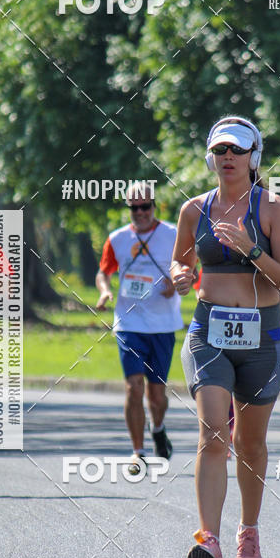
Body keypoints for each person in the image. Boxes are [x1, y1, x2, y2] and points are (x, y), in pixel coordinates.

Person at [171, 116, 280, 558]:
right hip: (209, 334)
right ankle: (210, 540)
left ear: (253, 158)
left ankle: (249, 531)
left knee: (251, 443)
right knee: (212, 433)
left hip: (263, 335)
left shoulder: (274, 210)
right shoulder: (193, 210)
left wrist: (251, 249)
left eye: (237, 150)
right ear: (211, 157)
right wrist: (180, 277)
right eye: (221, 150)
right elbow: (179, 264)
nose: (228, 158)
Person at [95, 182, 183, 462]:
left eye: (145, 206)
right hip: (129, 323)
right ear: (128, 208)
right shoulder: (118, 238)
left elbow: (190, 266)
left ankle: (158, 428)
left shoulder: (173, 234)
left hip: (162, 324)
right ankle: (138, 452)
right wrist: (105, 290)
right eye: (134, 207)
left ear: (154, 206)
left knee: (157, 396)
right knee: (134, 387)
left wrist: (177, 281)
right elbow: (103, 272)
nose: (140, 212)